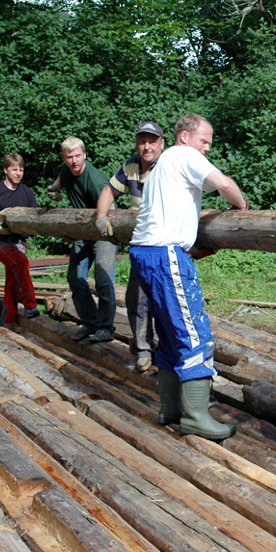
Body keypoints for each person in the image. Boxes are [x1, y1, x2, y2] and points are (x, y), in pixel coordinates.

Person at [129, 114, 248, 440]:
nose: (207, 148)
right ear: (185, 136)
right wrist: (242, 208)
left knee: (168, 333)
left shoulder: (161, 167)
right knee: (195, 334)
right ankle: (196, 416)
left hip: (144, 252)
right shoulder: (184, 155)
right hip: (165, 254)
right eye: (204, 141)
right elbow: (224, 184)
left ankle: (171, 409)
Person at [95, 121, 165, 372]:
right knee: (137, 298)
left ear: (161, 143)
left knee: (164, 300)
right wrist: (102, 217)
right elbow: (109, 191)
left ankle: (166, 351)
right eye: (142, 141)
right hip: (140, 244)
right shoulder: (131, 165)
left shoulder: (168, 165)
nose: (147, 147)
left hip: (165, 243)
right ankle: (143, 349)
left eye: (152, 141)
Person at [47, 137, 118, 343]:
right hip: (82, 232)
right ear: (64, 158)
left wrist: (105, 231)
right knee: (75, 278)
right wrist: (54, 191)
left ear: (85, 155)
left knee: (104, 281)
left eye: (78, 155)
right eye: (70, 157)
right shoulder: (65, 169)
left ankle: (106, 328)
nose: (74, 160)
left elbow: (111, 209)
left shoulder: (95, 180)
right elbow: (57, 185)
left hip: (104, 232)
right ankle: (90, 322)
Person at [0, 153, 40, 325]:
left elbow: (35, 216)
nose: (18, 173)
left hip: (18, 242)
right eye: (14, 170)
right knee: (20, 262)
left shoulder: (27, 192)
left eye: (21, 170)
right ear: (5, 170)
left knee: (13, 280)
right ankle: (31, 305)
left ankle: (7, 321)